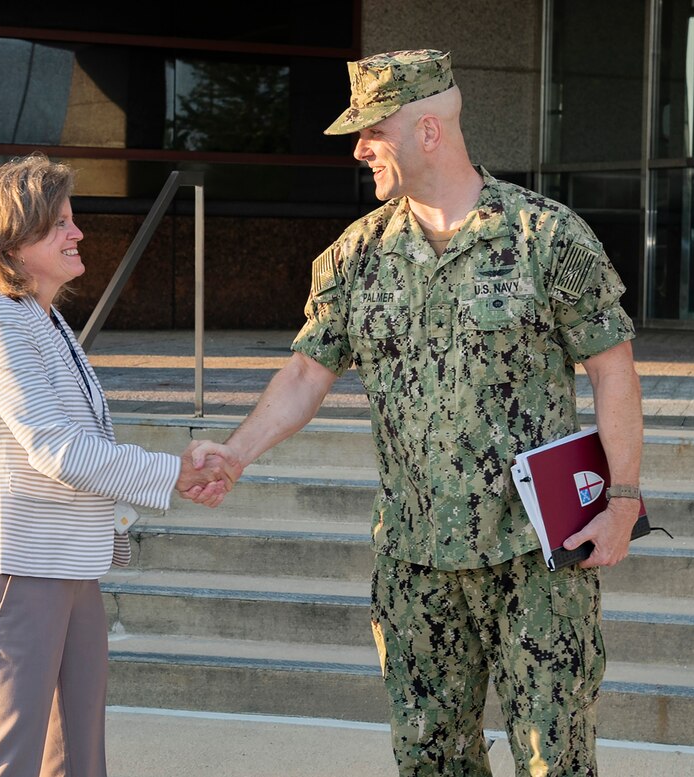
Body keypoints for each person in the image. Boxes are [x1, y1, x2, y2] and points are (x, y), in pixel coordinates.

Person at [203, 50, 643, 776]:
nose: (359, 149)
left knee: (554, 759)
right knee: (431, 760)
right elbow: (308, 371)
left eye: (372, 130)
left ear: (429, 131)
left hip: (534, 558)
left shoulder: (546, 237)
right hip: (414, 562)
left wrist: (622, 499)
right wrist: (236, 451)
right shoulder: (355, 256)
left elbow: (612, 369)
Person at [0, 153, 237, 777]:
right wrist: (172, 473)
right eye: (58, 225)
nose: (77, 234)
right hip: (12, 568)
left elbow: (77, 440)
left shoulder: (43, 319)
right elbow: (56, 448)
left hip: (64, 565)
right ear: (11, 241)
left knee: (78, 758)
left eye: (72, 220)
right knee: (9, 761)